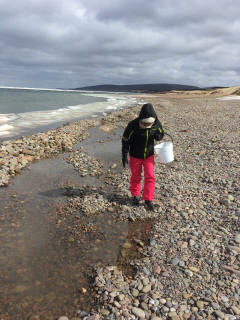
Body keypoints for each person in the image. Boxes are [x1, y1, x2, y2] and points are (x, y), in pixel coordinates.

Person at [122, 103, 164, 211]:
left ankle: (148, 199)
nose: (146, 126)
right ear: (140, 119)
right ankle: (135, 195)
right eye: (144, 124)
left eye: (148, 124)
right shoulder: (132, 125)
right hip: (135, 155)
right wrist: (124, 154)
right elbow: (125, 140)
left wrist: (159, 136)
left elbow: (161, 133)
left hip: (149, 155)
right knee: (136, 176)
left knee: (150, 176)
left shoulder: (156, 123)